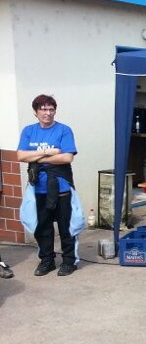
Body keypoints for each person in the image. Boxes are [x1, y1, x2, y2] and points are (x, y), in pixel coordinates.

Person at [17, 94, 82, 276]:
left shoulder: (64, 130)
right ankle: (47, 261)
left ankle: (69, 261)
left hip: (61, 186)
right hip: (38, 187)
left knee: (66, 226)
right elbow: (20, 156)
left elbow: (67, 157)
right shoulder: (29, 131)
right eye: (43, 109)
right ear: (35, 112)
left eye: (51, 109)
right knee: (42, 227)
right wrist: (50, 151)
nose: (47, 113)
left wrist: (36, 157)